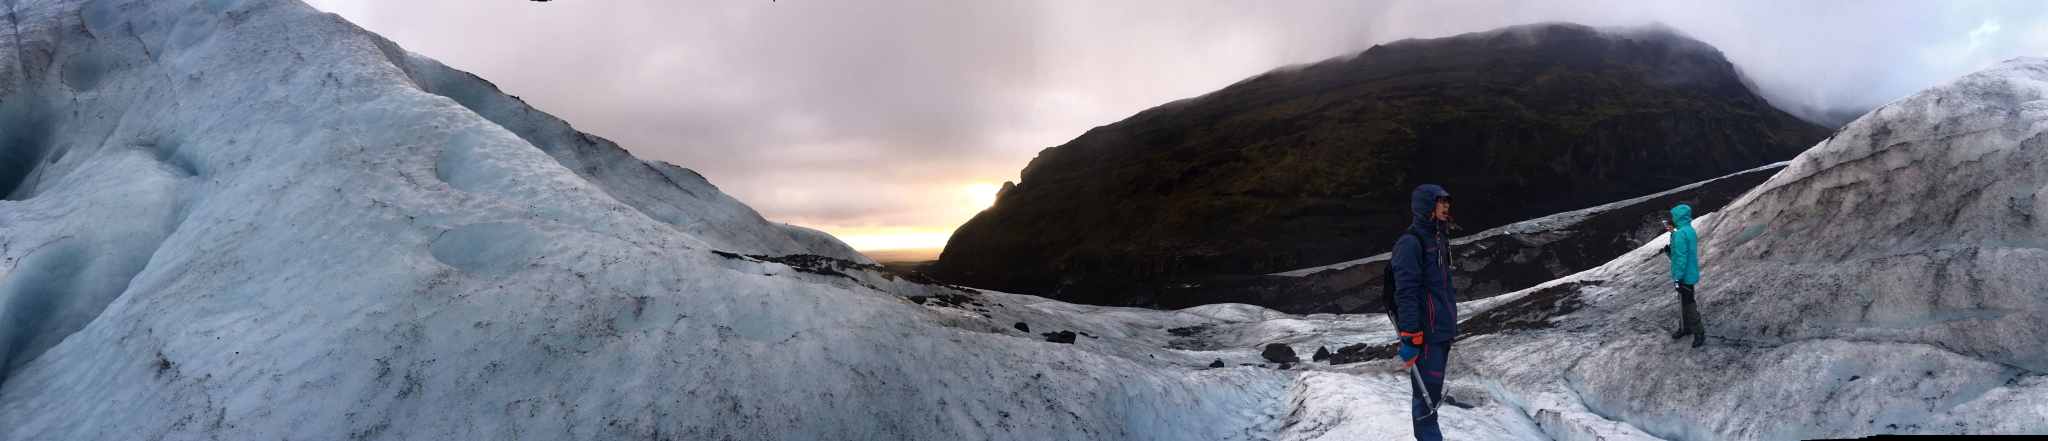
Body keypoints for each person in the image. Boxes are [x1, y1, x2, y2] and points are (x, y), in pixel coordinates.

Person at [1392, 184, 1458, 441]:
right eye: (1440, 201)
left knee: (1431, 396)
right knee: (1426, 401)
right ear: (1426, 206)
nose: (1446, 206)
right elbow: (1405, 292)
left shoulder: (1439, 239)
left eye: (1447, 201)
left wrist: (1452, 325)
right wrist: (1409, 336)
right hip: (1425, 336)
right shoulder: (1411, 242)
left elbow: (1443, 289)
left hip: (1440, 332)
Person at [1665, 204, 1705, 348]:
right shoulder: (1688, 230)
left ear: (1678, 217)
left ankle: (1698, 332)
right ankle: (1685, 327)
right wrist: (1672, 237)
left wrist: (1678, 277)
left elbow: (1681, 257)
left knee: (1688, 302)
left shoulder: (1680, 234)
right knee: (1683, 299)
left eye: (1673, 217)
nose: (1671, 220)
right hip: (1690, 272)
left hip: (1684, 275)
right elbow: (1683, 252)